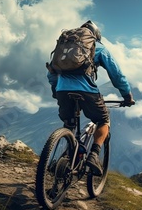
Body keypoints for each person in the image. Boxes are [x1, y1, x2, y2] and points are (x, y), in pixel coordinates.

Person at [47, 20, 135, 176]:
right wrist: (127, 96)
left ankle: (67, 156)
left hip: (62, 90)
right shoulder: (98, 46)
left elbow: (51, 73)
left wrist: (56, 90)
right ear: (95, 35)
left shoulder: (64, 47)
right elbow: (117, 75)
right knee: (103, 120)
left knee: (69, 124)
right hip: (87, 91)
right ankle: (94, 155)